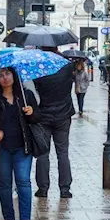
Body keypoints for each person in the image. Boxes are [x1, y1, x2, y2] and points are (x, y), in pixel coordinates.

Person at [0, 67, 39, 220]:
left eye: (8, 74)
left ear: (14, 75)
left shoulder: (26, 96)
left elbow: (37, 118)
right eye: (1, 75)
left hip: (22, 147)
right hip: (1, 149)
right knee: (5, 184)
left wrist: (32, 113)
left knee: (23, 182)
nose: (5, 78)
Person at [31, 54, 77, 199]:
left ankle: (43, 188)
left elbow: (34, 90)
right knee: (63, 153)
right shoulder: (67, 66)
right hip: (63, 115)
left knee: (43, 152)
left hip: (43, 115)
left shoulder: (38, 68)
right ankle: (65, 189)